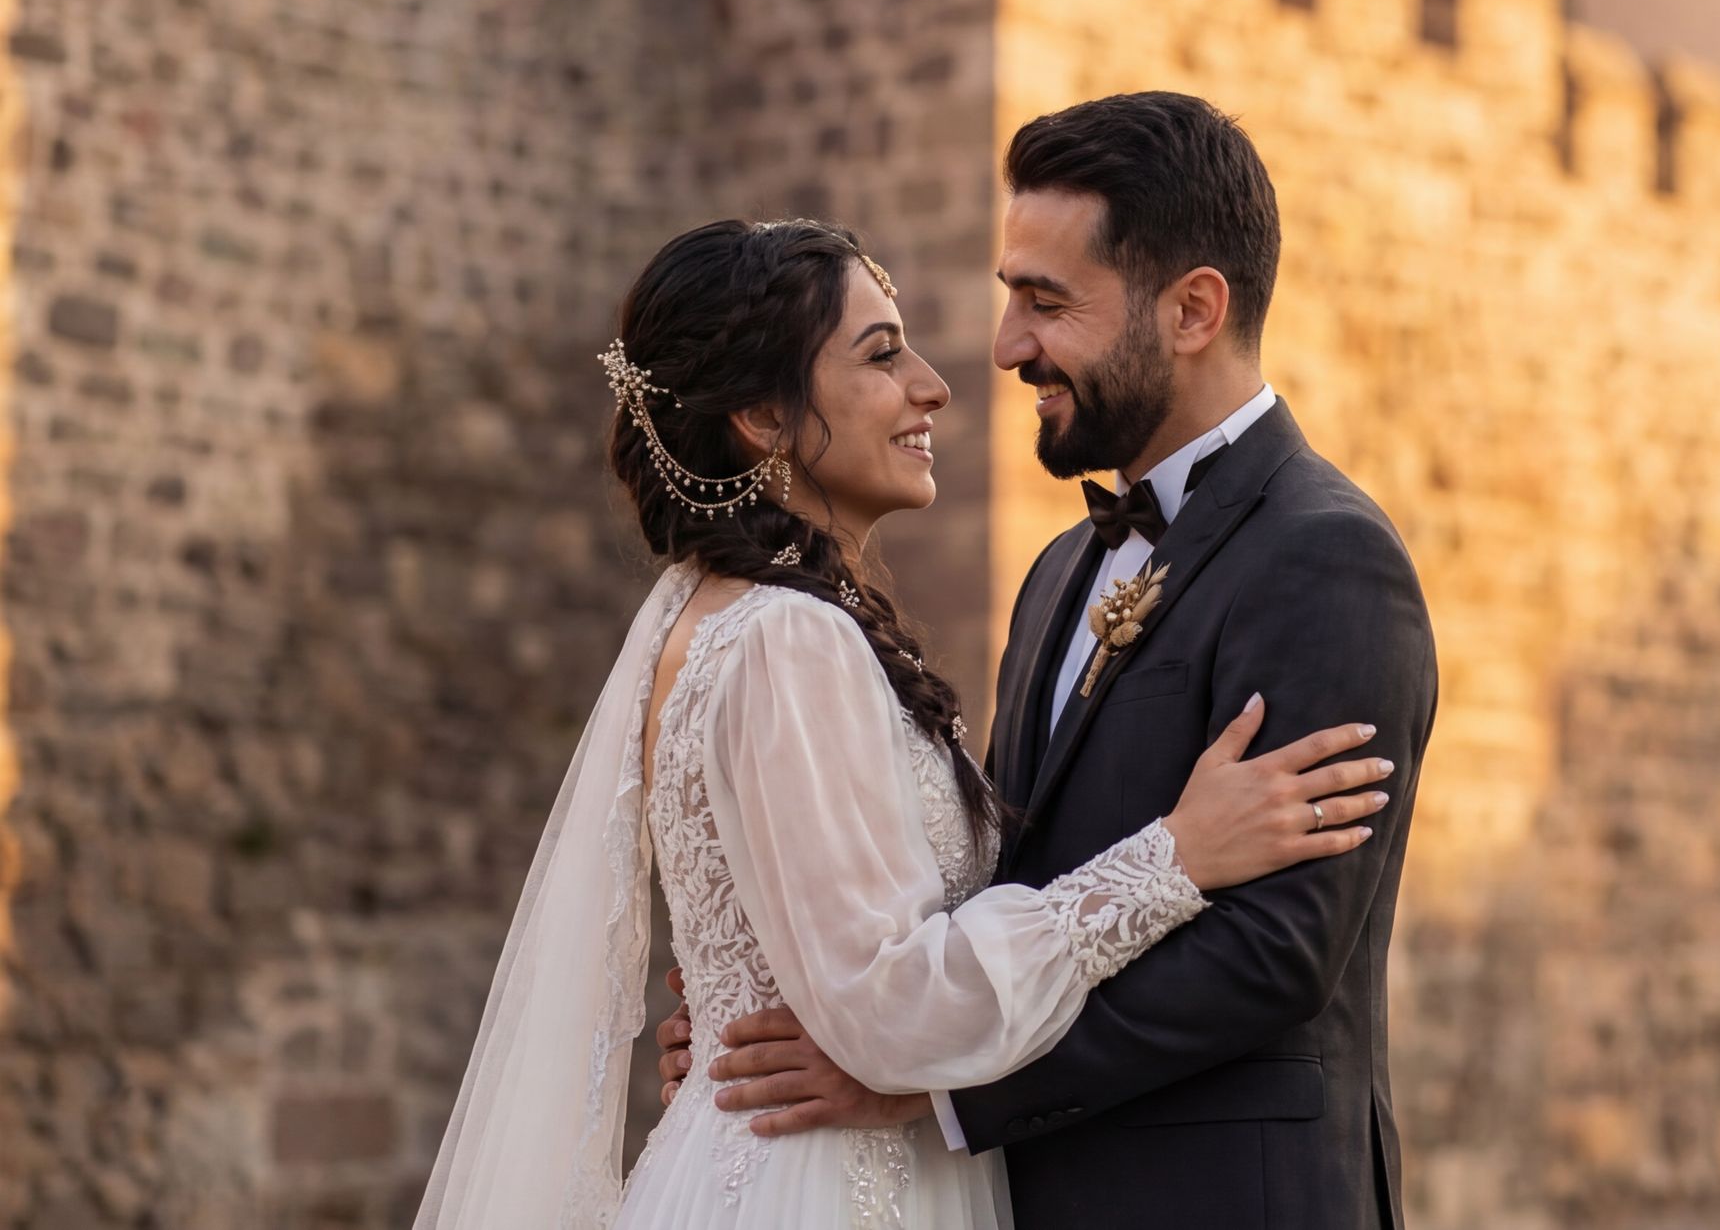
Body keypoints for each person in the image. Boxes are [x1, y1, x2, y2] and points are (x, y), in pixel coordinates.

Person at [413, 217, 1393, 1230]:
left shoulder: (724, 618)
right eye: (882, 357)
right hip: (825, 1186)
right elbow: (892, 1006)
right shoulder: (787, 637)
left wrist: (746, 1007)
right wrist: (1176, 856)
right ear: (761, 414)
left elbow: (835, 954)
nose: (936, 383)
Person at [665, 93, 1439, 1230]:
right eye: (1009, 297)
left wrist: (927, 1090)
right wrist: (798, 997)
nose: (1004, 347)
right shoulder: (1057, 571)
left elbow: (1277, 953)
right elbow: (1000, 888)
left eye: (1047, 302)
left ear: (1192, 310)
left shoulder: (1328, 557)